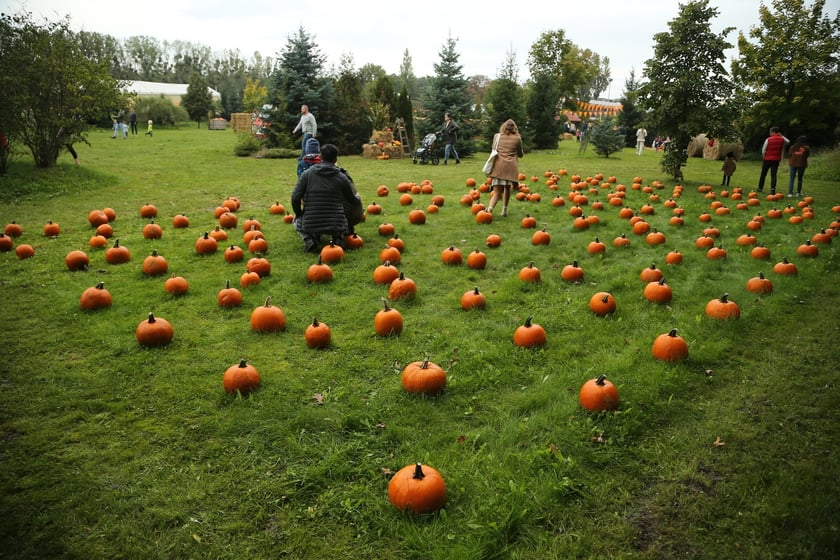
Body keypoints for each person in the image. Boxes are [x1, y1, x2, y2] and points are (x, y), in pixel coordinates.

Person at [291, 144, 363, 253]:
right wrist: (358, 202)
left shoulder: (307, 174)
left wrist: (299, 213)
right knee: (340, 219)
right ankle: (338, 237)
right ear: (336, 159)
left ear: (320, 157)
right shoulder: (341, 177)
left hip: (311, 223)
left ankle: (309, 240)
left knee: (296, 221)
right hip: (336, 223)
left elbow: (295, 197)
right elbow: (352, 200)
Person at [485, 119, 524, 217]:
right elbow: (520, 154)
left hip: (499, 166)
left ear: (504, 127)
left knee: (497, 192)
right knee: (507, 188)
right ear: (514, 128)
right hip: (510, 167)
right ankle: (504, 211)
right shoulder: (517, 138)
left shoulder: (497, 137)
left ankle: (489, 209)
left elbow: (494, 149)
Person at [757, 126, 790, 194]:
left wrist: (764, 157)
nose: (769, 133)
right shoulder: (782, 139)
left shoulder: (768, 139)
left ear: (772, 132)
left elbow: (763, 150)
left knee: (763, 174)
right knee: (773, 174)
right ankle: (772, 189)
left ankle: (760, 188)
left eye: (770, 132)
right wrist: (782, 135)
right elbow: (788, 141)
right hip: (776, 159)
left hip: (767, 159)